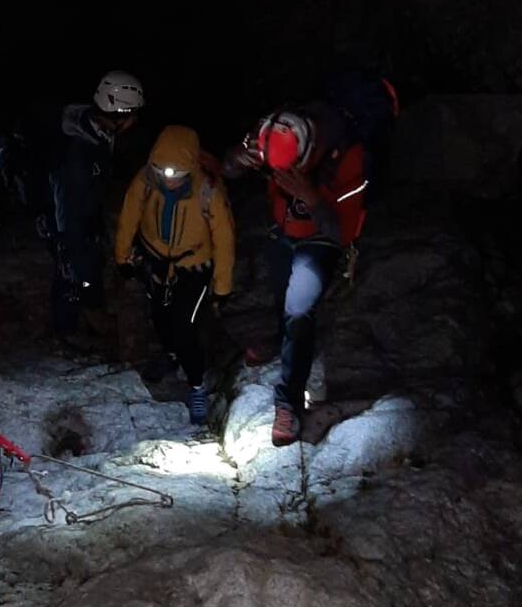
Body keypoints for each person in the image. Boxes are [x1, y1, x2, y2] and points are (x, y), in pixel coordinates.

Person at [223, 103, 369, 446]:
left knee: (299, 310)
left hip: (319, 239)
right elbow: (229, 167)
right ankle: (281, 337)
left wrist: (312, 198)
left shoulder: (348, 159)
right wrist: (241, 159)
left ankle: (287, 403)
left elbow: (343, 233)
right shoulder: (270, 135)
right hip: (282, 231)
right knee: (281, 296)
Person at [0, 70, 145, 340]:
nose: (135, 120)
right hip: (55, 209)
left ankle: (86, 307)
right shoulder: (78, 157)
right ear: (119, 116)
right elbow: (70, 220)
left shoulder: (89, 123)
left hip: (68, 200)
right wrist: (75, 250)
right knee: (73, 270)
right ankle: (70, 328)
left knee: (87, 256)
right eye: (132, 114)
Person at [114, 125, 235, 424]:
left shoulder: (208, 190)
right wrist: (123, 256)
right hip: (155, 261)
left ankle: (196, 384)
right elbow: (129, 215)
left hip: (194, 266)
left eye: (175, 174)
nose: (167, 180)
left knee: (185, 327)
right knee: (159, 314)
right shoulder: (146, 180)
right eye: (162, 172)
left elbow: (224, 238)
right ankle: (170, 355)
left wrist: (222, 285)